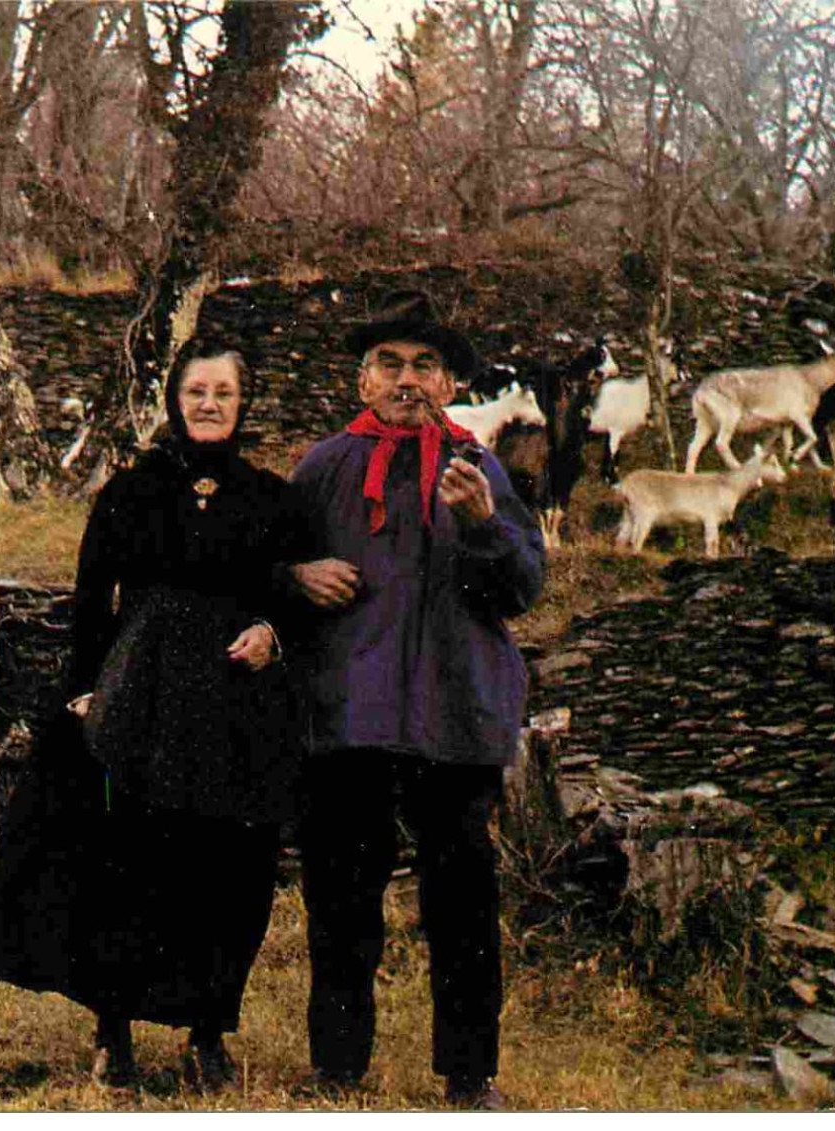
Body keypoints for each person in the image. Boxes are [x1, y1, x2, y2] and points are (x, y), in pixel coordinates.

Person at [0, 341, 308, 1091]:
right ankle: (112, 1031)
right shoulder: (130, 492)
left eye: (223, 390)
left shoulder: (273, 499)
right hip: (142, 698)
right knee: (124, 865)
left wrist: (273, 633)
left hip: (232, 707)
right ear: (175, 400)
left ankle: (208, 1033)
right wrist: (85, 689)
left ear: (243, 401)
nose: (210, 403)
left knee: (227, 870)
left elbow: (296, 598)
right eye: (196, 390)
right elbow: (92, 601)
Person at [287, 291, 546, 1108]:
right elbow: (267, 572)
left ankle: (469, 1077)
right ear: (363, 380)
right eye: (390, 364)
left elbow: (520, 590)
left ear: (450, 382)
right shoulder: (324, 467)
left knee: (463, 901)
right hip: (347, 715)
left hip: (457, 713)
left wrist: (480, 525)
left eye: (424, 366)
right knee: (340, 894)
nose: (407, 380)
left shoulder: (481, 468)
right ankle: (336, 1067)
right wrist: (294, 578)